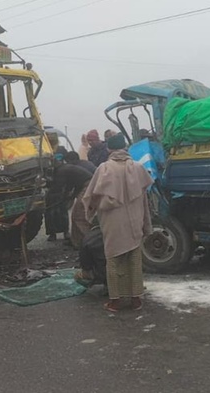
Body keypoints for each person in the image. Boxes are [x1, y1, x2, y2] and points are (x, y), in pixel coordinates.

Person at [83, 133, 153, 312]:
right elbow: (145, 197)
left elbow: (91, 196)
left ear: (109, 149)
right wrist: (146, 223)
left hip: (113, 221)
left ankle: (115, 301)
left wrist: (91, 212)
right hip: (135, 219)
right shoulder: (138, 168)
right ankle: (136, 298)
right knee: (134, 259)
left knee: (113, 259)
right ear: (125, 147)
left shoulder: (104, 169)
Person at [50, 162, 93, 248]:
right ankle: (77, 242)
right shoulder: (66, 168)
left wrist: (53, 197)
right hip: (87, 185)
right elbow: (72, 186)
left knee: (79, 217)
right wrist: (70, 197)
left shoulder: (61, 171)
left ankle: (88, 244)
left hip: (88, 186)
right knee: (75, 216)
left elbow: (59, 187)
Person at [45, 132, 70, 241]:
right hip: (49, 183)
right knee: (50, 210)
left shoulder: (61, 150)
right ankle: (52, 233)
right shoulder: (44, 150)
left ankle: (65, 231)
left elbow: (68, 162)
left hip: (61, 182)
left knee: (62, 209)